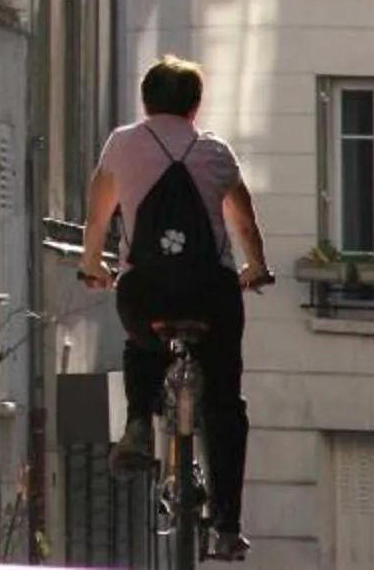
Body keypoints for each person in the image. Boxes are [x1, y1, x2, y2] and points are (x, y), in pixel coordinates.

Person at [78, 56, 272, 563]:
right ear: (195, 105)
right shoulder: (215, 152)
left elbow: (98, 214)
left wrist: (92, 264)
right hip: (211, 293)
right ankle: (228, 526)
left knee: (142, 342)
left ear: (145, 101)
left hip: (146, 290)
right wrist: (257, 267)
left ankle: (140, 421)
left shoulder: (122, 144)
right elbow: (244, 224)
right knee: (226, 402)